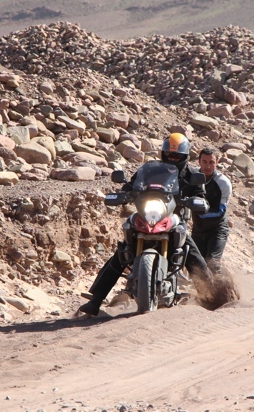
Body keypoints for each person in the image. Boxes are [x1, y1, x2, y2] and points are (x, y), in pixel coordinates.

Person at [78, 133, 214, 316]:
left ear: (185, 157)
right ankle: (96, 299)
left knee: (192, 254)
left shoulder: (192, 175)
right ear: (163, 154)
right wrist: (124, 193)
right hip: (149, 214)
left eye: (177, 156)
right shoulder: (151, 170)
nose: (172, 158)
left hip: (174, 219)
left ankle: (212, 296)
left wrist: (197, 201)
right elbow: (132, 185)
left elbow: (201, 195)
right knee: (123, 251)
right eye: (169, 155)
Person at [191, 147, 232, 274]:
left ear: (217, 162)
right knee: (195, 267)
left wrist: (199, 211)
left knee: (212, 263)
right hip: (198, 229)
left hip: (217, 229)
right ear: (199, 162)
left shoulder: (223, 183)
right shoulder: (191, 178)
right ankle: (203, 293)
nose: (208, 166)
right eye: (204, 162)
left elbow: (220, 211)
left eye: (211, 162)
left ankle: (225, 291)